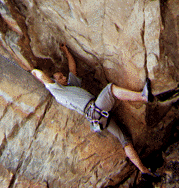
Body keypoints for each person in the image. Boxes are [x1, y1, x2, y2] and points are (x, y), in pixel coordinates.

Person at [31, 44, 154, 177]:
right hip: (95, 110)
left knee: (124, 139)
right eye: (60, 78)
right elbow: (43, 77)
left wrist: (66, 51)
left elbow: (72, 68)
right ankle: (143, 96)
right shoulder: (58, 91)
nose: (64, 78)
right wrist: (34, 71)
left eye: (63, 76)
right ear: (55, 82)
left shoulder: (70, 86)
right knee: (110, 89)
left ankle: (144, 171)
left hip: (97, 118)